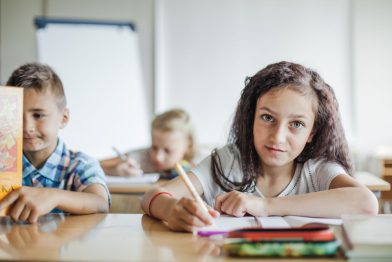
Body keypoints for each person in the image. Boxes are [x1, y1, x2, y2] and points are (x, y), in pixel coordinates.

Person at [141, 61, 379, 232]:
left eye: (296, 124)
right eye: (267, 118)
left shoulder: (317, 169)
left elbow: (366, 203)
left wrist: (265, 205)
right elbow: (151, 196)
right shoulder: (229, 161)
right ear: (251, 118)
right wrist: (172, 210)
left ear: (311, 133)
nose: (277, 136)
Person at [0, 62, 110, 223]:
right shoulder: (3, 163)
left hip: (62, 246)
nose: (26, 127)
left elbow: (100, 203)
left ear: (63, 118)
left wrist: (54, 196)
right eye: (16, 115)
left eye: (38, 115)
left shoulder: (80, 165)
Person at [100, 109, 205, 178]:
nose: (157, 158)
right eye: (154, 148)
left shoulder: (203, 163)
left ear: (188, 146)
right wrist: (114, 171)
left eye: (167, 151)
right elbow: (93, 165)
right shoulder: (141, 157)